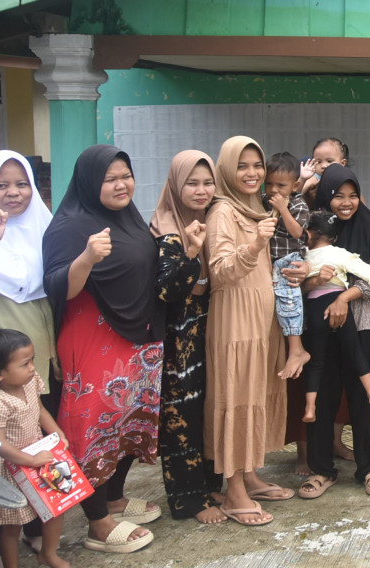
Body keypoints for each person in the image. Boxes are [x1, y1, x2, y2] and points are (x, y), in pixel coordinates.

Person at [42, 145, 188, 553]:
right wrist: (86, 258)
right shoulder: (69, 226)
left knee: (128, 422)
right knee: (93, 429)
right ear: (91, 182)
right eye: (110, 178)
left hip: (137, 340)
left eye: (126, 175)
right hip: (93, 341)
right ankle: (98, 524)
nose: (121, 184)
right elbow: (58, 288)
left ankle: (115, 498)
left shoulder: (130, 219)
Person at [204, 136, 297, 526]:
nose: (252, 173)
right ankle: (233, 490)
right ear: (226, 169)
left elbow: (267, 262)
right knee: (235, 398)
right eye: (242, 165)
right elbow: (221, 271)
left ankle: (250, 475)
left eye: (257, 165)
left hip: (260, 322)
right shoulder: (222, 211)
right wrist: (254, 245)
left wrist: (293, 271)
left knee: (254, 395)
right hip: (235, 323)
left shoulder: (255, 206)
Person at [300, 164, 370, 499]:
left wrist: (344, 297)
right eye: (338, 195)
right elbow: (296, 278)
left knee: (361, 396)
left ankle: (368, 468)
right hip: (320, 325)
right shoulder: (311, 230)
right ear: (326, 196)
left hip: (364, 322)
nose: (346, 202)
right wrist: (318, 282)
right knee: (323, 394)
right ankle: (321, 470)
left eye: (353, 196)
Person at [150, 150, 227, 524]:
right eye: (191, 183)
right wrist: (192, 252)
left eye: (207, 182)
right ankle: (188, 500)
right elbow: (166, 291)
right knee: (183, 415)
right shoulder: (165, 228)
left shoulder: (213, 217)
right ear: (175, 185)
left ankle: (210, 484)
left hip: (210, 329)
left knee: (208, 408)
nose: (201, 190)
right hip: (180, 340)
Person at [300, 210, 370, 422]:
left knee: (316, 361)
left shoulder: (304, 255)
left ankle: (310, 408)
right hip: (339, 304)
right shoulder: (340, 253)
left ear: (309, 234)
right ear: (335, 237)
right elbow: (369, 272)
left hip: (313, 308)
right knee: (355, 352)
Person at [0, 329, 69, 568]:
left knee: (56, 506)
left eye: (33, 360)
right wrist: (30, 460)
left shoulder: (29, 383)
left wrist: (58, 434)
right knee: (12, 524)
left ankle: (49, 553)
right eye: (25, 363)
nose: (33, 368)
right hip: (12, 466)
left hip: (41, 455)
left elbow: (40, 411)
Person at [0, 152, 56, 403]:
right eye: (1, 185)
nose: (13, 192)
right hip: (1, 346)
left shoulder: (47, 229)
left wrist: (54, 351)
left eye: (22, 184)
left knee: (40, 410)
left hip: (41, 344)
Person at [263, 152, 313, 381]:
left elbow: (297, 233)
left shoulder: (298, 204)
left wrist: (283, 209)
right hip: (271, 261)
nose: (274, 190)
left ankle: (297, 348)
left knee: (288, 300)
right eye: (269, 183)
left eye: (281, 185)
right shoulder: (265, 201)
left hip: (290, 259)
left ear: (294, 185)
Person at [300, 138, 349, 203]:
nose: (323, 166)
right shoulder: (314, 179)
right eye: (319, 162)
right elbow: (296, 195)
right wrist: (302, 179)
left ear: (342, 163)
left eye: (329, 161)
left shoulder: (347, 180)